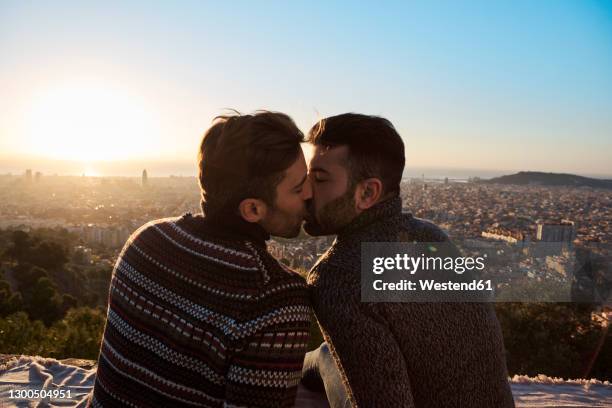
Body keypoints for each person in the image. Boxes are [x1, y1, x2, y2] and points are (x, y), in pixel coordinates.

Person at [89, 111, 313, 407]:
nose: (310, 192)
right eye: (298, 188)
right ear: (252, 210)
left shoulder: (146, 240)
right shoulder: (275, 299)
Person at [302, 113, 515, 407]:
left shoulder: (338, 276)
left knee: (324, 357)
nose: (305, 191)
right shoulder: (430, 236)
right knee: (326, 355)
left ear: (367, 192)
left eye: (319, 178)